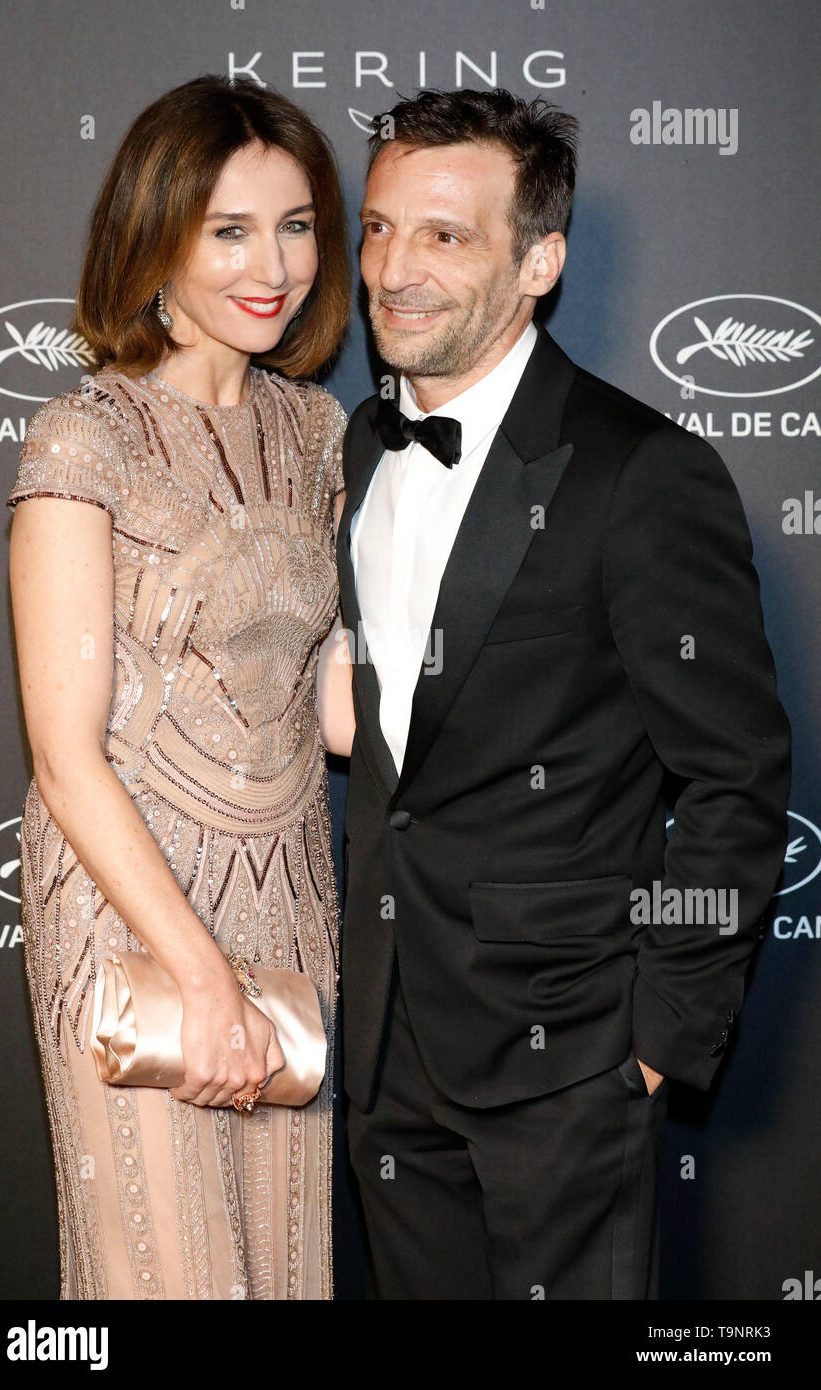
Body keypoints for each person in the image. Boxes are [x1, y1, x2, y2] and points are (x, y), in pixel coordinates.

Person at [336, 87, 792, 1300]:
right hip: (385, 1050)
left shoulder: (642, 473)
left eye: (445, 235)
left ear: (540, 261)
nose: (394, 269)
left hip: (565, 1061)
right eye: (379, 228)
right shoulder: (357, 453)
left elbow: (736, 778)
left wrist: (654, 1045)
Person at [7, 74, 354, 1301]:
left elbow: (338, 709)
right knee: (169, 1278)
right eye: (231, 230)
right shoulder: (80, 436)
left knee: (284, 1272)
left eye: (300, 224)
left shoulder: (320, 436)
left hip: (293, 897)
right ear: (155, 237)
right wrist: (202, 977)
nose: (278, 265)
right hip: (131, 912)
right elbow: (66, 753)